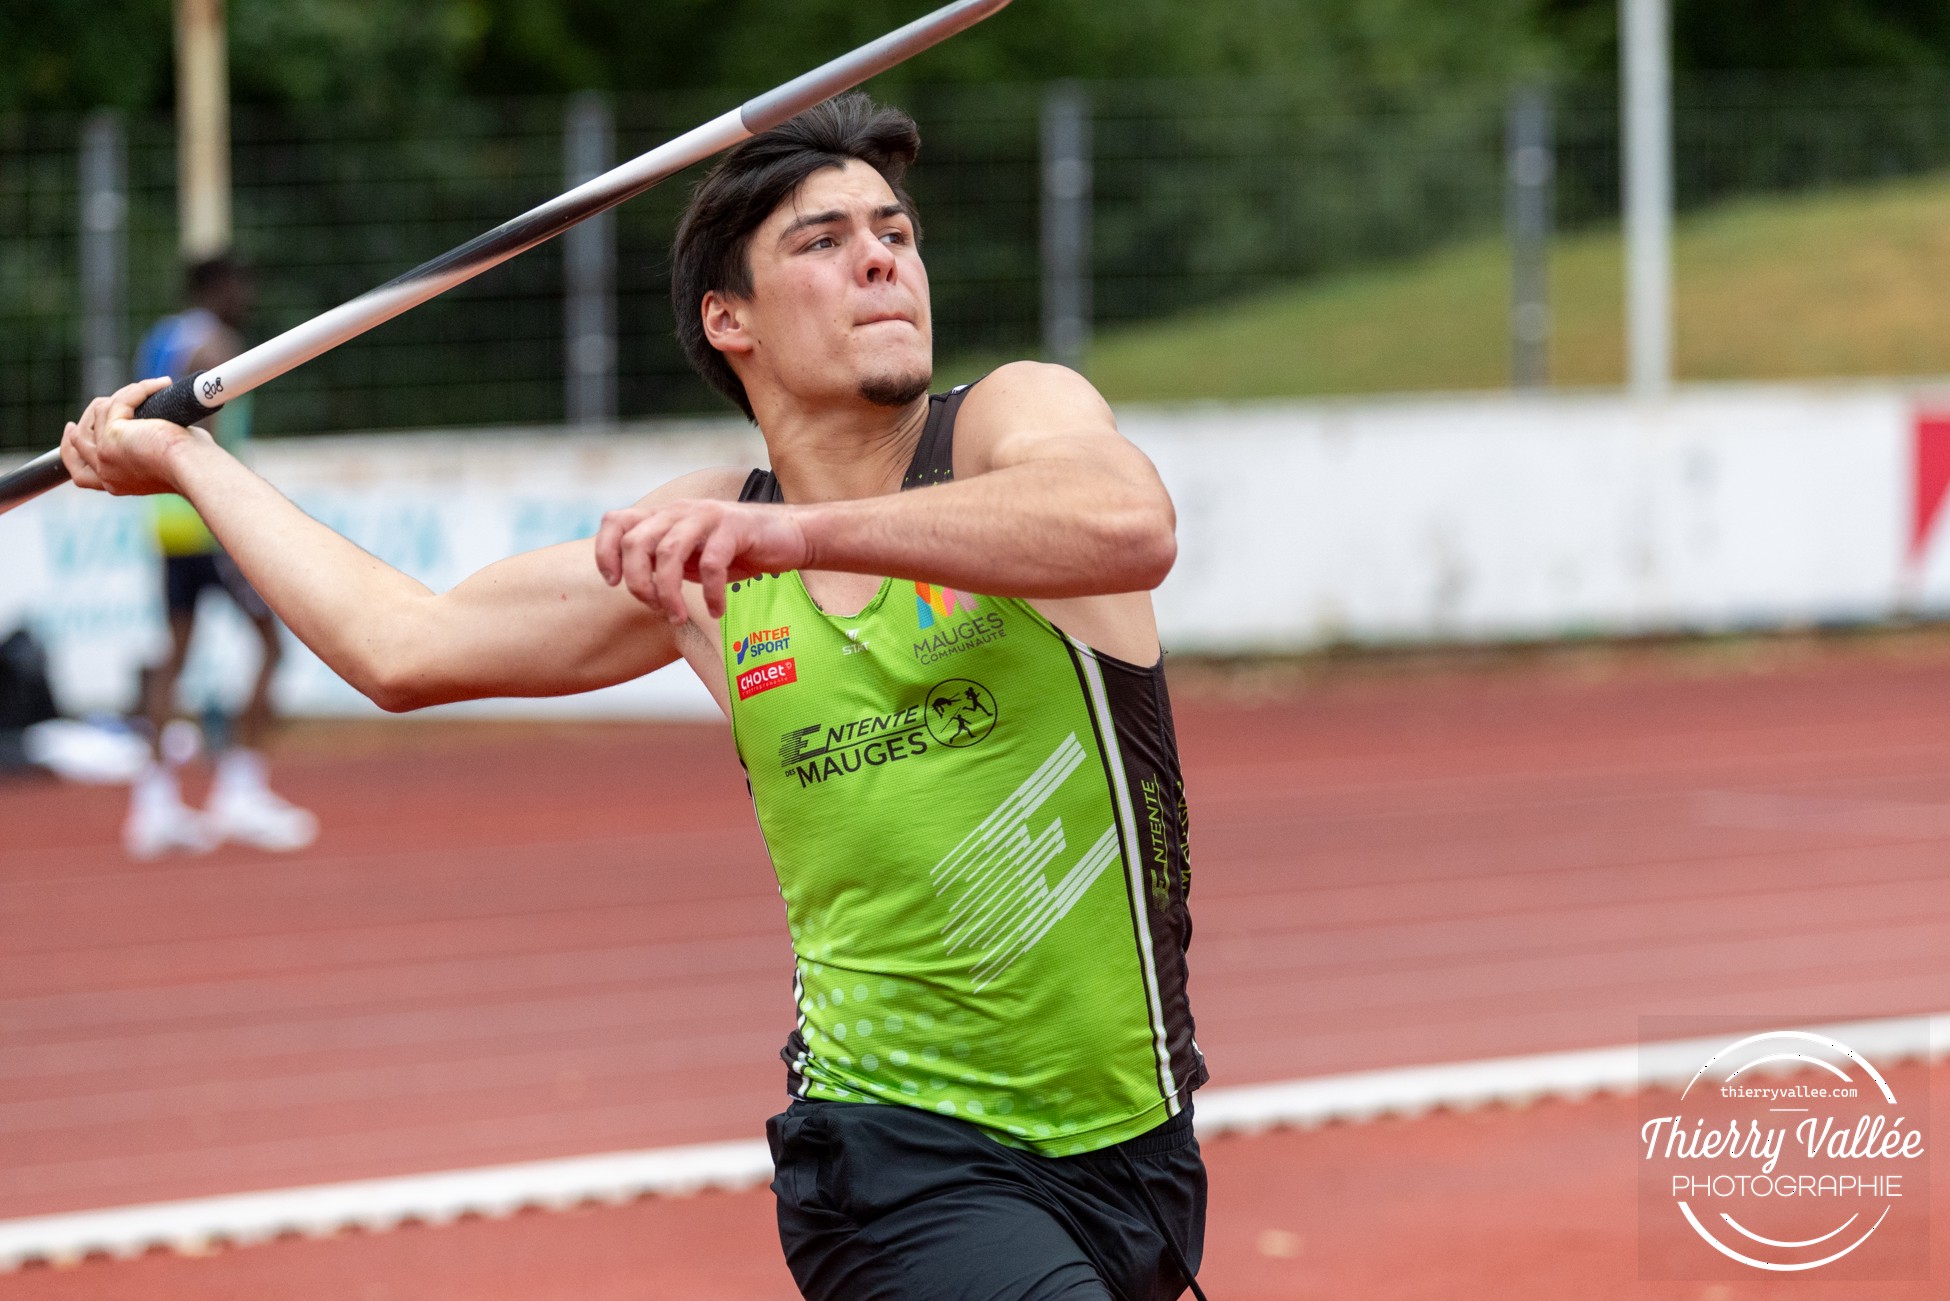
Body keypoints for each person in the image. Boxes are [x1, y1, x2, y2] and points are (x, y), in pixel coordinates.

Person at [61, 95, 1206, 1300]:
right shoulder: (705, 546)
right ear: (729, 318)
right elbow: (404, 643)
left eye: (895, 232)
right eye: (822, 241)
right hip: (893, 1157)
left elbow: (1127, 523)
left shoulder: (1007, 424)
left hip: (1139, 1148)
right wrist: (190, 460)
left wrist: (795, 533)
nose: (880, 258)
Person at [126, 255, 317, 858]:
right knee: (272, 644)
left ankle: (154, 804)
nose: (246, 295)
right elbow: (197, 404)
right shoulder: (211, 342)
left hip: (168, 518)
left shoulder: (158, 337)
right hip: (212, 520)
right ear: (214, 287)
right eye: (239, 284)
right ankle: (241, 789)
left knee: (175, 655)